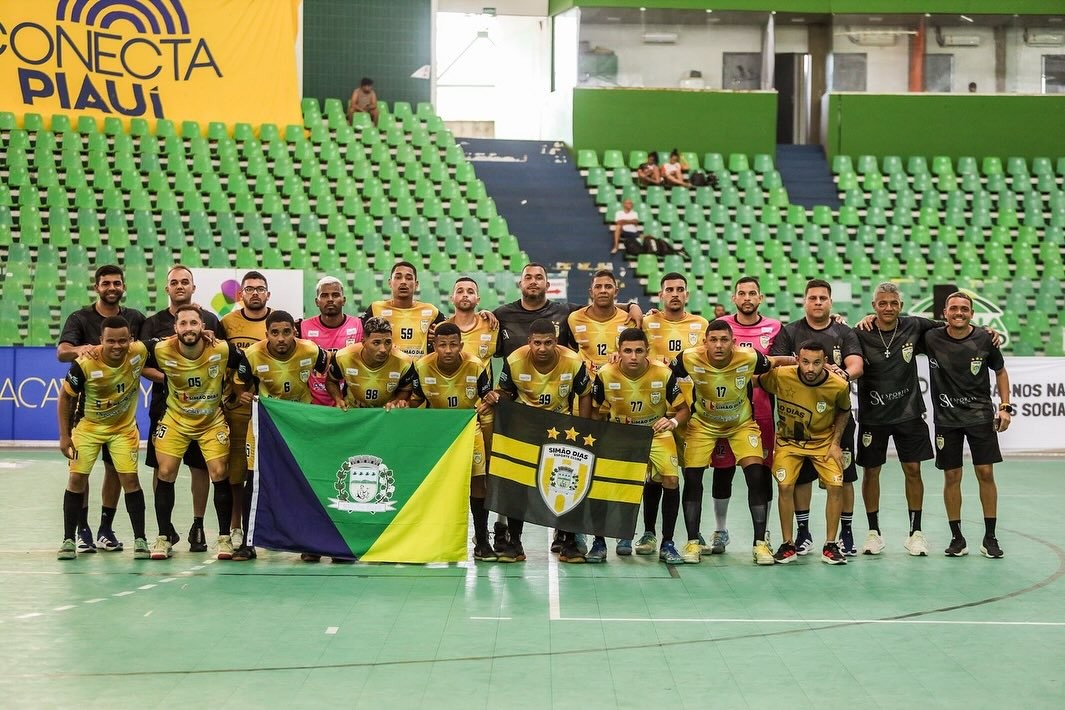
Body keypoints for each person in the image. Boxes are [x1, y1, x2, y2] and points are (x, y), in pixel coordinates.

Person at [670, 319, 793, 565]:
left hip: (741, 424)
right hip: (703, 424)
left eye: (724, 340)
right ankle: (693, 541)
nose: (718, 345)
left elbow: (774, 363)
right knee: (692, 478)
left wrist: (797, 360)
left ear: (733, 343)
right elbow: (667, 375)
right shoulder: (688, 358)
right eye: (713, 340)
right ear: (704, 342)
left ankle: (760, 544)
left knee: (757, 475)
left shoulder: (749, 357)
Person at [57, 265, 146, 554]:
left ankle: (106, 528)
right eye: (106, 283)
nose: (112, 287)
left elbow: (155, 342)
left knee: (117, 471)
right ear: (97, 287)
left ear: (123, 286)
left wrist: (190, 312)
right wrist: (83, 349)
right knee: (79, 474)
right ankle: (81, 531)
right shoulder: (80, 318)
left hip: (122, 420)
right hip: (88, 415)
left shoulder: (134, 318)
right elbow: (62, 352)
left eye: (116, 283)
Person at [771, 279, 864, 556]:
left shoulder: (843, 331)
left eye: (823, 298)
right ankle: (802, 533)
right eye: (813, 298)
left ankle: (844, 534)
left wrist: (842, 374)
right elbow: (775, 362)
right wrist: (805, 362)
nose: (818, 302)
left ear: (831, 302)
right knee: (799, 479)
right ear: (805, 301)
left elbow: (856, 363)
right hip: (800, 419)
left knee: (843, 477)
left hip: (836, 418)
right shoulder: (790, 331)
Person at [144, 305, 242, 561]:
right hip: (176, 419)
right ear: (175, 329)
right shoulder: (160, 349)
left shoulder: (220, 349)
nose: (189, 328)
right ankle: (164, 537)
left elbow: (246, 363)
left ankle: (224, 538)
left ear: (203, 327)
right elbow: (127, 352)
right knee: (165, 472)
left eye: (194, 323)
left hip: (211, 420)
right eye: (183, 324)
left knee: (220, 472)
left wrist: (238, 390)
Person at [232, 311, 330, 561]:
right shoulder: (252, 355)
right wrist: (243, 394)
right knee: (254, 481)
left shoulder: (311, 351)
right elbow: (239, 383)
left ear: (294, 332)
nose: (281, 338)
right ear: (266, 335)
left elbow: (330, 368)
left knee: (306, 481)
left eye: (286, 332)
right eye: (275, 333)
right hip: (265, 424)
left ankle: (311, 544)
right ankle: (248, 541)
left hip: (300, 425)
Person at [139, 265, 224, 552]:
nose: (179, 286)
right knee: (163, 468)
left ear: (193, 287)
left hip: (205, 411)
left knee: (203, 468)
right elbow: (141, 362)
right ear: (167, 288)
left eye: (184, 282)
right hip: (167, 407)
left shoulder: (211, 318)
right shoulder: (152, 324)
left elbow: (220, 355)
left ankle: (198, 524)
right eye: (174, 282)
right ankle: (165, 531)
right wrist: (174, 376)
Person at [922, 292, 1012, 559]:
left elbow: (1001, 371)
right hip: (947, 420)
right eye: (953, 308)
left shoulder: (985, 339)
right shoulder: (931, 338)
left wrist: (1005, 407)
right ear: (945, 312)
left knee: (985, 473)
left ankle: (990, 537)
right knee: (952, 477)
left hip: (980, 417)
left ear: (971, 313)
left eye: (964, 309)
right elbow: (898, 330)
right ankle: (957, 537)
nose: (959, 313)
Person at [852, 283, 939, 557]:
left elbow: (952, 326)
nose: (888, 308)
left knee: (913, 470)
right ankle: (873, 533)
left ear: (900, 306)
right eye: (882, 303)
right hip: (873, 415)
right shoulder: (860, 332)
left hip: (908, 413)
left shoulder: (914, 326)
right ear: (874, 306)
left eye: (893, 303)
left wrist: (987, 333)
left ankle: (916, 533)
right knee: (871, 471)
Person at [496, 318, 593, 563]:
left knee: (566, 482)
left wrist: (584, 428)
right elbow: (505, 393)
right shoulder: (515, 360)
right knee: (518, 485)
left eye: (548, 343)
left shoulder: (572, 361)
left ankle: (568, 541)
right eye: (537, 343)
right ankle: (514, 543)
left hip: (561, 427)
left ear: (556, 342)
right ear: (529, 342)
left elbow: (585, 394)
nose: (542, 348)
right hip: (525, 425)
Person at [592, 328, 689, 564]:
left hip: (655, 433)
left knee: (671, 480)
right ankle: (600, 542)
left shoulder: (663, 373)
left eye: (638, 351)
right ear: (618, 352)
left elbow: (684, 409)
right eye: (627, 351)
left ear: (647, 351)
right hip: (620, 433)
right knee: (605, 483)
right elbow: (595, 410)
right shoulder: (605, 374)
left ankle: (667, 542)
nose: (633, 356)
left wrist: (673, 420)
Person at [559, 269, 637, 559]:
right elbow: (564, 353)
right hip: (585, 403)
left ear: (617, 291)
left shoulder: (628, 319)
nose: (603, 290)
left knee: (618, 471)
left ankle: (622, 533)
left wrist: (634, 307)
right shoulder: (573, 319)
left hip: (619, 403)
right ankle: (583, 532)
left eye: (609, 286)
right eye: (598, 286)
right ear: (590, 292)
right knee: (584, 467)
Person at [758, 342, 853, 565]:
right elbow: (755, 380)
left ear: (826, 362)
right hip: (788, 443)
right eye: (805, 362)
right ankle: (788, 544)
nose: (810, 368)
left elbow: (844, 411)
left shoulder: (838, 385)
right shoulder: (781, 375)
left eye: (817, 363)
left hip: (823, 443)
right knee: (784, 486)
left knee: (835, 485)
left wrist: (835, 443)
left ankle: (830, 545)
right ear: (797, 360)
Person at [707, 276, 783, 555]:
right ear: (734, 298)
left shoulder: (774, 328)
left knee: (761, 475)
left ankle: (763, 535)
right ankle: (720, 529)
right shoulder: (721, 327)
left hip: (762, 415)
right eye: (742, 293)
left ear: (760, 298)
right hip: (724, 416)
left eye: (753, 293)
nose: (747, 298)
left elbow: (784, 358)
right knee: (722, 472)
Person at [410, 323, 496, 561]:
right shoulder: (421, 366)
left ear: (461, 345)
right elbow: (415, 400)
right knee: (434, 484)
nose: (448, 350)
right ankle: (431, 539)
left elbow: (487, 398)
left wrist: (491, 399)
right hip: (437, 431)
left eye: (453, 345)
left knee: (479, 482)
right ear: (434, 346)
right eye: (442, 345)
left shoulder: (476, 366)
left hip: (470, 428)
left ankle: (482, 540)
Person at [636, 273, 707, 556]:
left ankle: (693, 531)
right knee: (656, 475)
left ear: (687, 295)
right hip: (658, 411)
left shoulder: (700, 325)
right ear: (661, 295)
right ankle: (650, 533)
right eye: (669, 290)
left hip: (691, 411)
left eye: (680, 290)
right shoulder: (647, 322)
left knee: (692, 474)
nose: (675, 294)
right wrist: (633, 305)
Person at [218, 271, 272, 551]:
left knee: (273, 473)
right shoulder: (226, 323)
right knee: (237, 473)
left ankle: (272, 527)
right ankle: (236, 528)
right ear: (240, 295)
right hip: (238, 409)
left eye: (260, 289)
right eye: (249, 289)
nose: (254, 294)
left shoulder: (278, 324)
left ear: (268, 295)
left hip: (272, 411)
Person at [298, 276, 364, 405]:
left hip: (347, 404)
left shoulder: (359, 325)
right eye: (324, 296)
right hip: (313, 405)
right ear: (317, 301)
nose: (330, 299)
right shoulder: (302, 327)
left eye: (335, 295)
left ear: (343, 300)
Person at [327, 317, 416, 411]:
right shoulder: (343, 357)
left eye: (388, 342)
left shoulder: (404, 363)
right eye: (376, 343)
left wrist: (397, 401)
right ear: (364, 342)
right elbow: (331, 381)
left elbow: (405, 389)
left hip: (385, 414)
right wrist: (338, 399)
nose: (383, 349)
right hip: (352, 411)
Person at [362, 261, 445, 358]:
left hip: (418, 370)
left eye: (409, 278)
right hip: (387, 370)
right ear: (390, 283)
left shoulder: (431, 311)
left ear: (416, 284)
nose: (403, 282)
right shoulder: (375, 309)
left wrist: (438, 335)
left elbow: (448, 332)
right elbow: (362, 337)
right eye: (398, 277)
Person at [447, 277, 499, 363]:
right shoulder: (441, 328)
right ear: (452, 299)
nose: (465, 295)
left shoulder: (491, 324)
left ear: (478, 300)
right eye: (460, 291)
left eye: (470, 292)